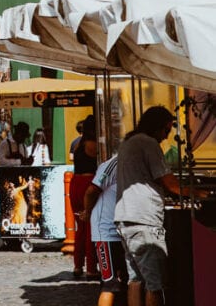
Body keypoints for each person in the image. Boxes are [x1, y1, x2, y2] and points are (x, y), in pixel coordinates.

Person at [114, 105, 208, 306]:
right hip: (144, 220)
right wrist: (198, 193)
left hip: (125, 218)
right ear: (156, 126)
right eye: (166, 130)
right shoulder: (148, 143)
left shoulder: (128, 142)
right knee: (155, 284)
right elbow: (170, 183)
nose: (167, 136)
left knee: (135, 280)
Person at [82, 153, 127, 306]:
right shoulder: (114, 163)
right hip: (106, 232)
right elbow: (91, 191)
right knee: (110, 283)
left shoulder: (134, 164)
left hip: (123, 231)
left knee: (124, 281)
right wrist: (87, 213)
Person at [69, 114, 99, 280]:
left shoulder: (78, 143)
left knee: (80, 227)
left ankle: (77, 265)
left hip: (76, 183)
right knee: (90, 227)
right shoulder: (93, 145)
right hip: (89, 183)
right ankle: (91, 268)